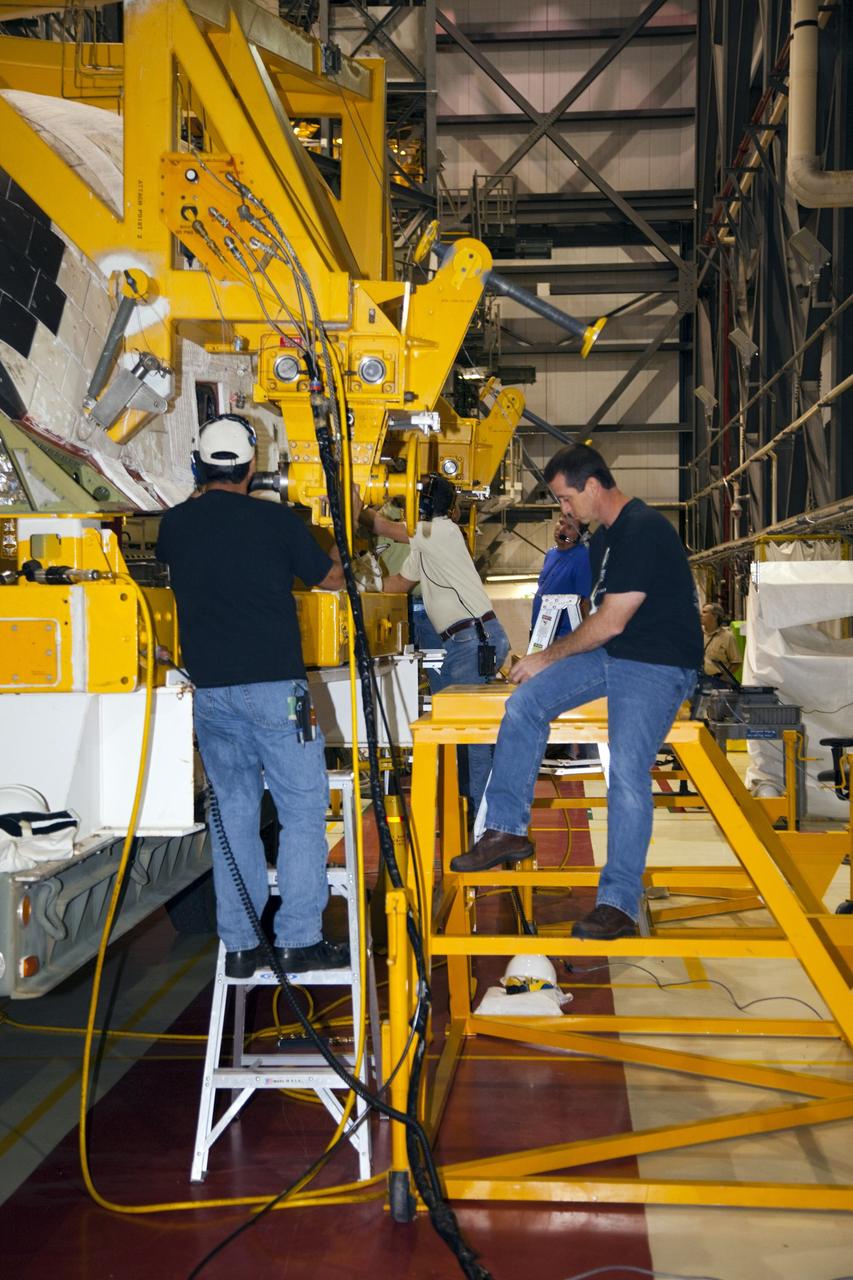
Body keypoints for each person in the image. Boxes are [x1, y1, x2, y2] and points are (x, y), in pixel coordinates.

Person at [450, 444, 702, 941]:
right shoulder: (602, 540)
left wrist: (545, 655)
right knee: (524, 703)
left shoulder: (642, 529)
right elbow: (598, 618)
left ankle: (618, 904)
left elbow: (610, 621)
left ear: (592, 485)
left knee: (627, 774)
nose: (563, 510)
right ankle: (505, 829)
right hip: (618, 654)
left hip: (658, 662)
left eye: (566, 498)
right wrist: (548, 664)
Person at [156, 413, 349, 978]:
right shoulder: (277, 521)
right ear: (251, 466)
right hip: (278, 694)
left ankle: (240, 944)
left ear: (198, 464)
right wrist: (344, 541)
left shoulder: (175, 526)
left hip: (212, 695)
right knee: (303, 812)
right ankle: (298, 937)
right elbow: (330, 580)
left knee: (233, 815)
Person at [356, 473, 510, 824]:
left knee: (470, 736)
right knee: (466, 733)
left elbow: (382, 524)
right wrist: (356, 580)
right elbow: (397, 584)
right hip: (467, 641)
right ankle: (475, 814)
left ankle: (483, 822)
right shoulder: (425, 545)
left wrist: (354, 506)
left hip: (473, 639)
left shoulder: (437, 531)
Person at [530, 514, 592, 642]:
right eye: (560, 522)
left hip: (563, 636)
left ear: (580, 535)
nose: (561, 529)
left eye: (569, 527)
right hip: (540, 632)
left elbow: (585, 602)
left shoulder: (582, 558)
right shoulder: (551, 553)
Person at [701, 602, 741, 678]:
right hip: (698, 680)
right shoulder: (697, 634)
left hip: (717, 681)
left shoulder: (727, 636)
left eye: (704, 612)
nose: (701, 615)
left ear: (715, 616)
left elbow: (736, 662)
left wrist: (723, 678)